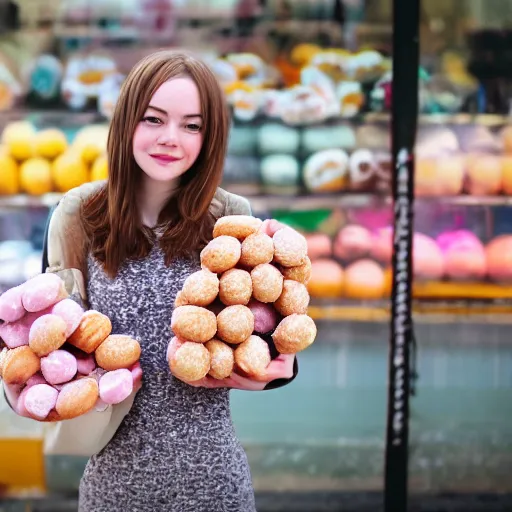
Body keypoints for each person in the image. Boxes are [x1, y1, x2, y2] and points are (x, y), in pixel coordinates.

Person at [2, 50, 298, 511]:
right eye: (154, 119)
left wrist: (273, 371)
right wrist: (21, 394)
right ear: (126, 123)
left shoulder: (232, 220)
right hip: (113, 487)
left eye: (192, 125)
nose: (170, 139)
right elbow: (43, 343)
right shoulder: (78, 215)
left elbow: (271, 344)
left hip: (214, 482)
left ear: (210, 135)